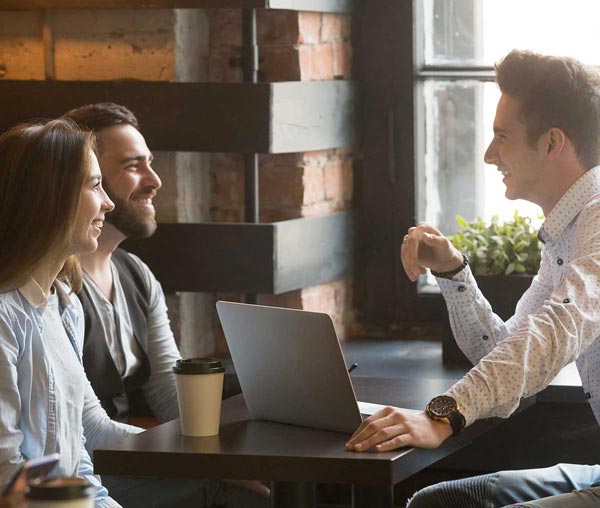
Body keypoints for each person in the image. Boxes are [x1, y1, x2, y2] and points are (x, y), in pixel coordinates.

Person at [346, 50, 600, 507]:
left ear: (552, 142)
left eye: (502, 137)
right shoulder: (566, 234)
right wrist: (452, 272)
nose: (487, 155)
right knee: (436, 504)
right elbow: (506, 359)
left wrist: (444, 414)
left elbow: (561, 327)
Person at [62, 103, 269, 506]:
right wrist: (212, 463)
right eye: (133, 166)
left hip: (127, 458)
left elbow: (169, 393)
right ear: (86, 179)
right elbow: (87, 429)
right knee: (234, 492)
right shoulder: (53, 284)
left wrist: (242, 448)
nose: (155, 180)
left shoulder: (136, 273)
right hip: (81, 468)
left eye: (150, 163)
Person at [0, 118, 138, 507]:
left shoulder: (65, 306)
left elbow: (78, 462)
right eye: (95, 185)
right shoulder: (4, 318)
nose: (108, 203)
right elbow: (6, 479)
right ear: (51, 197)